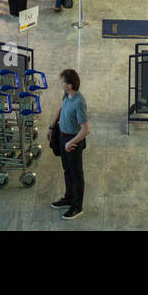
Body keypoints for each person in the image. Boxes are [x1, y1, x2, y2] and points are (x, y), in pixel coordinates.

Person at [52, 68, 89, 220]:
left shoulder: (79, 102)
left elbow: (85, 130)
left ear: (69, 85)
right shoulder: (66, 95)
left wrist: (70, 143)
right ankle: (69, 198)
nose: (60, 83)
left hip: (73, 141)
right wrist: (51, 126)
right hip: (63, 136)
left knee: (76, 174)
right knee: (67, 170)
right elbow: (61, 109)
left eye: (62, 81)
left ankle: (77, 206)